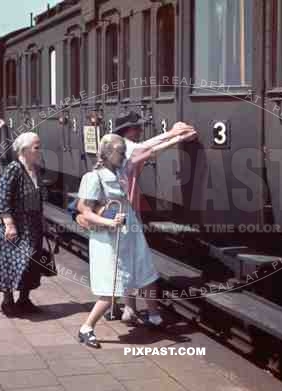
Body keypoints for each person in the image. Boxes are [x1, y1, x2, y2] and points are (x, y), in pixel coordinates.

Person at [77, 128, 196, 349]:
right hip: (110, 238)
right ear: (107, 153)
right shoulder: (93, 177)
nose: (124, 156)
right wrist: (109, 222)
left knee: (146, 271)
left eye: (124, 152)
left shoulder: (120, 168)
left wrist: (177, 138)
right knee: (114, 285)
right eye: (120, 152)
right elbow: (83, 210)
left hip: (130, 230)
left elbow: (149, 151)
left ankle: (154, 316)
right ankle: (86, 328)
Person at [112, 111, 198, 324]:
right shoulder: (127, 148)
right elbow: (151, 149)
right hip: (127, 216)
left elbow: (148, 145)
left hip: (117, 214)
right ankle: (152, 313)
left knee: (124, 263)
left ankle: (130, 309)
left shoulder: (116, 146)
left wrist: (172, 134)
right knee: (143, 265)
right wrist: (177, 136)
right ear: (129, 130)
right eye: (137, 127)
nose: (140, 129)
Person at [0, 132, 46, 316]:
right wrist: (9, 224)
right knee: (10, 263)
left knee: (30, 263)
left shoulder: (36, 169)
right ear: (24, 150)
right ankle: (7, 302)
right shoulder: (14, 169)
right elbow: (2, 198)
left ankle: (24, 300)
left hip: (32, 224)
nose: (39, 150)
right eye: (36, 147)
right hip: (16, 224)